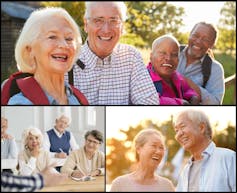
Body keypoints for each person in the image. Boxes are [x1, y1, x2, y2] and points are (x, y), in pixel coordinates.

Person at [67, 2, 159, 105]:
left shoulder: (131, 57)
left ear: (122, 27)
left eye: (113, 21)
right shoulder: (68, 60)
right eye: (98, 20)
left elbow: (149, 102)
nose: (106, 30)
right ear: (86, 25)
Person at [6, 7, 88, 105]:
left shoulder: (79, 99)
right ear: (29, 50)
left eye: (69, 38)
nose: (64, 45)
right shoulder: (21, 104)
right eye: (52, 37)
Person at [173, 109, 236, 191]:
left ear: (201, 128)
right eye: (176, 130)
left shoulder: (229, 158)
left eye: (182, 127)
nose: (178, 134)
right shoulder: (185, 171)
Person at [110, 128, 175, 192]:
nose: (158, 151)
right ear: (138, 149)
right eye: (154, 146)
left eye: (161, 148)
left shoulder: (167, 186)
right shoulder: (119, 184)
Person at [177, 22, 225, 105]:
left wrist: (190, 84)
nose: (198, 41)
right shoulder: (171, 52)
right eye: (195, 35)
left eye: (205, 39)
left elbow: (216, 103)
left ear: (212, 44)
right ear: (189, 35)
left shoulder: (215, 69)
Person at [147, 35, 200, 105]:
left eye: (174, 55)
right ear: (151, 56)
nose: (168, 58)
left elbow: (187, 89)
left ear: (178, 59)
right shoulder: (145, 78)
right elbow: (148, 99)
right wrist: (179, 103)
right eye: (162, 53)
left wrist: (193, 97)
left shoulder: (177, 76)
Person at [1, 165, 68, 192]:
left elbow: (51, 171)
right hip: (31, 187)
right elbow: (24, 174)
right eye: (31, 138)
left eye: (37, 138)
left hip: (42, 187)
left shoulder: (45, 153)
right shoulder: (22, 154)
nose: (34, 141)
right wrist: (33, 157)